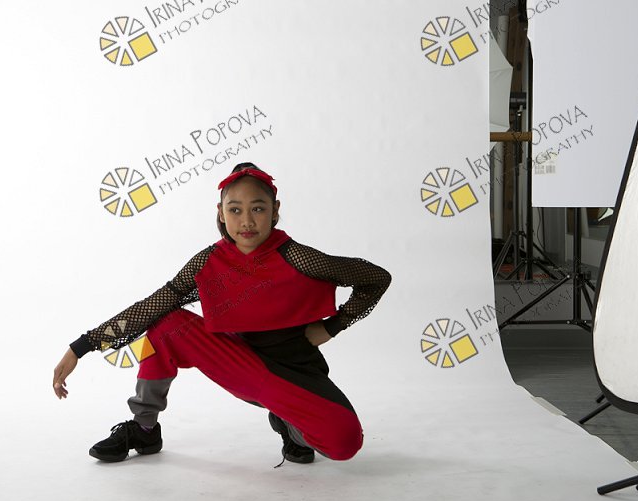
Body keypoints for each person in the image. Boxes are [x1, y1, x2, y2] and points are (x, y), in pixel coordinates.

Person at [53, 162, 392, 465]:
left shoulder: (298, 257)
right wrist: (81, 346)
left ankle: (289, 424)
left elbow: (376, 278)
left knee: (345, 443)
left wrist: (332, 327)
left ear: (275, 211)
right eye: (235, 210)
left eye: (258, 209)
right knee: (165, 323)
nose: (247, 221)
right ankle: (143, 429)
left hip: (293, 375)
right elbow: (150, 306)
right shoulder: (208, 262)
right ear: (220, 213)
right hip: (237, 363)